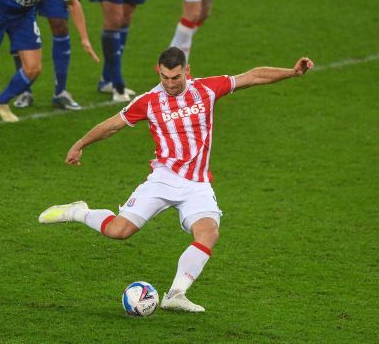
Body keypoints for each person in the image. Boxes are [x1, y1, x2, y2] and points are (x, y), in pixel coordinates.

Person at [38, 47, 314, 312]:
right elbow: (112, 125)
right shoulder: (148, 101)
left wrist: (292, 72)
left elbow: (252, 76)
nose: (170, 84)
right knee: (118, 232)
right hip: (162, 179)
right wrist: (80, 143)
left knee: (208, 233)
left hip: (197, 184)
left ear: (187, 71)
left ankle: (175, 294)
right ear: (158, 72)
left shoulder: (207, 89)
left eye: (176, 77)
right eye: (165, 77)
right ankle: (78, 211)